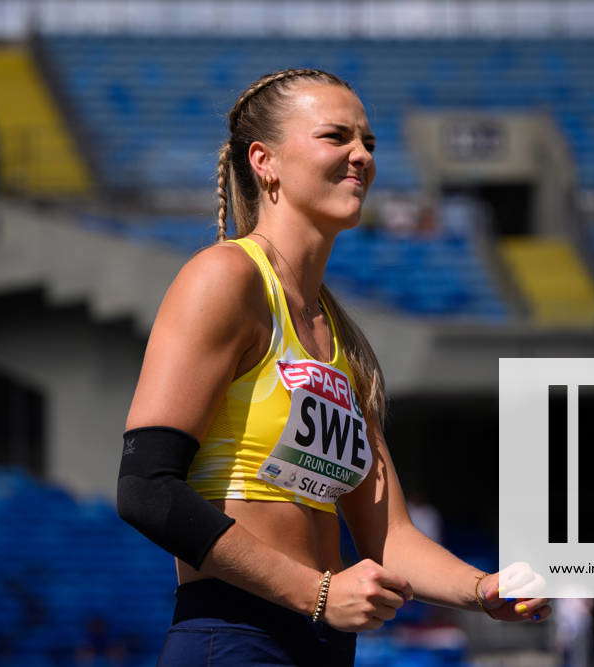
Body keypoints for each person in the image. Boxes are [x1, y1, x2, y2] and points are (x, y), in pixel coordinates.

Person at [118, 68, 550, 666]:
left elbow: (391, 538)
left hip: (324, 645)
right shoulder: (226, 279)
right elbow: (146, 490)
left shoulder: (339, 335)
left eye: (368, 142)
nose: (361, 156)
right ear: (264, 160)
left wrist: (481, 590)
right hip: (234, 637)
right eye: (336, 137)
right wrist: (316, 592)